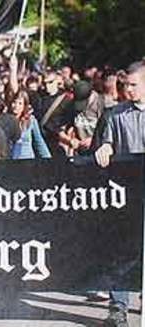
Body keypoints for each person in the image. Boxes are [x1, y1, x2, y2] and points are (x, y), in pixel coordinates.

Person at [95, 61, 145, 327]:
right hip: (126, 194)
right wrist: (104, 148)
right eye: (125, 85)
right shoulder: (115, 115)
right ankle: (118, 308)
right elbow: (107, 142)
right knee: (122, 250)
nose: (128, 90)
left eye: (134, 85)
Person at [9, 91, 51, 160]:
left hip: (28, 159)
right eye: (14, 102)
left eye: (20, 103)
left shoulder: (31, 120)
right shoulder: (7, 120)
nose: (16, 106)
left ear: (24, 106)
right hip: (13, 160)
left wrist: (48, 159)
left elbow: (39, 141)